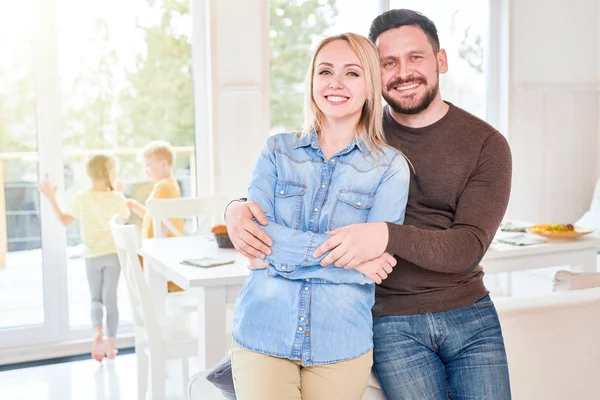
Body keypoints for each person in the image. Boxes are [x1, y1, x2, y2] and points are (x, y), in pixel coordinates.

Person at [226, 9, 512, 400]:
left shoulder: (480, 145)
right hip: (390, 316)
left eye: (416, 57)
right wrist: (236, 207)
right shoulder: (334, 134)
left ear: (440, 60)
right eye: (388, 62)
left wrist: (382, 236)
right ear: (378, 77)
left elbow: (467, 248)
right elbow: (272, 214)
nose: (403, 72)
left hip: (467, 309)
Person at [230, 32, 410, 400]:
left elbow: (378, 261)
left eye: (352, 73)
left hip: (340, 342)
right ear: (312, 81)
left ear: (370, 86)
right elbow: (261, 246)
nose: (335, 83)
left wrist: (287, 252)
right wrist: (351, 262)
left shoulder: (390, 168)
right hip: (262, 331)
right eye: (325, 71)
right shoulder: (277, 151)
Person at [39, 153, 130, 363]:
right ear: (111, 174)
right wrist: (117, 193)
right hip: (112, 255)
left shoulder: (81, 198)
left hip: (92, 256)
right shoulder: (117, 198)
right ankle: (112, 344)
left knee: (96, 299)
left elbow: (63, 220)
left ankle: (97, 331)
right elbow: (123, 218)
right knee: (111, 299)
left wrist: (51, 197)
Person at [127, 140, 185, 292]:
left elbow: (162, 225)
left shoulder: (163, 187)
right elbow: (154, 216)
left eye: (148, 165)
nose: (146, 170)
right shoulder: (170, 184)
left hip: (160, 253)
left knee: (133, 261)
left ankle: (148, 303)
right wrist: (135, 206)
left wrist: (156, 252)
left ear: (163, 164)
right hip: (163, 249)